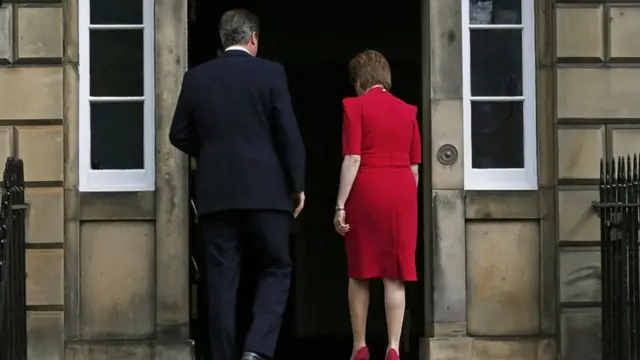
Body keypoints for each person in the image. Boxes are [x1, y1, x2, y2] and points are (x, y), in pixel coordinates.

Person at [169, 9, 306, 360]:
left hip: (217, 196)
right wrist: (297, 183)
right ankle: (256, 351)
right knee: (277, 268)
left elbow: (178, 133)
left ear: (222, 38)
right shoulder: (271, 73)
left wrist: (212, 153)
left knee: (221, 282)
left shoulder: (196, 77)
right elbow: (287, 132)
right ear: (253, 38)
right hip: (267, 192)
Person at [333, 50, 421, 360]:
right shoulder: (408, 111)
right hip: (402, 192)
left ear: (359, 80)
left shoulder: (354, 107)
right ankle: (394, 347)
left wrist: (340, 204)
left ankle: (359, 347)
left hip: (367, 190)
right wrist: (407, 203)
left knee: (360, 271)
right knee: (394, 275)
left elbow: (353, 158)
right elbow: (414, 168)